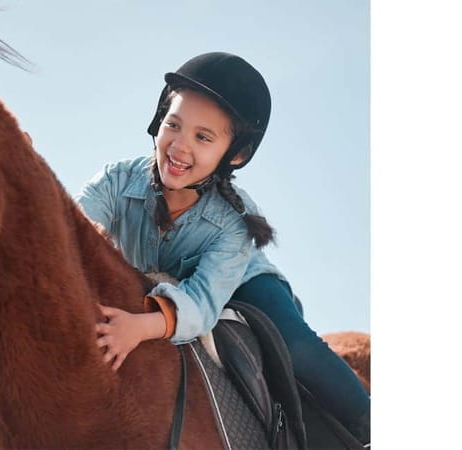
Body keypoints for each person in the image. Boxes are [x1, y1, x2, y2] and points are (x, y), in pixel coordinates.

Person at [74, 52, 370, 445]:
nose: (179, 146)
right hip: (159, 285)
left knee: (299, 348)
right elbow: (74, 228)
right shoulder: (116, 180)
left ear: (235, 154)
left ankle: (370, 423)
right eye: (173, 124)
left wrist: (140, 327)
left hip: (238, 284)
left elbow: (201, 304)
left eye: (203, 137)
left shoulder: (233, 224)